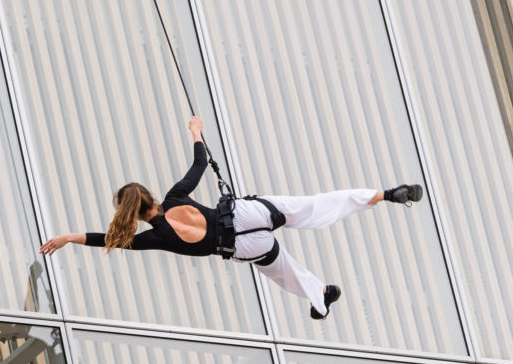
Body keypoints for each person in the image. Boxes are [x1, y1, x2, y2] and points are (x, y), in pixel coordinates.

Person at [39, 116, 423, 319]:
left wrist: (70, 237)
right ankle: (386, 194)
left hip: (242, 243)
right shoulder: (174, 198)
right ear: (150, 197)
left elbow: (108, 240)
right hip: (246, 212)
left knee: (283, 270)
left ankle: (320, 296)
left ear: (132, 216)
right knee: (316, 204)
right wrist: (195, 131)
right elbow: (201, 162)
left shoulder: (153, 237)